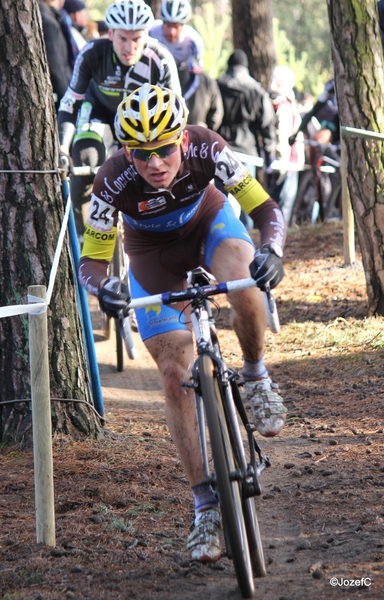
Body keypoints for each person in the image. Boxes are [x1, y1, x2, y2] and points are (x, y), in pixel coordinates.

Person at [78, 83, 287, 562]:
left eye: (165, 148)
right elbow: (92, 260)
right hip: (152, 256)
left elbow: (264, 207)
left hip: (208, 225)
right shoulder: (110, 180)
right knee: (174, 372)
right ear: (127, 152)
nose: (156, 163)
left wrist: (271, 251)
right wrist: (104, 288)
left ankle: (255, 375)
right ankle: (206, 506)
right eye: (143, 153)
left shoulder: (208, 146)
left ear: (182, 140)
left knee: (244, 276)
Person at [57, 0, 181, 238]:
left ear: (147, 35)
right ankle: (85, 239)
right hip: (100, 114)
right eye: (122, 38)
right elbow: (70, 102)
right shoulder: (93, 52)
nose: (129, 48)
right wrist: (63, 146)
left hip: (142, 125)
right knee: (85, 158)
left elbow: (177, 109)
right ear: (110, 33)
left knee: (154, 167)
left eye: (136, 39)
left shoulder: (160, 58)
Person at [217, 49, 277, 229]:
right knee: (247, 200)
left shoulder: (217, 85)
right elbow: (267, 125)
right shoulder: (256, 90)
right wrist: (269, 155)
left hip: (221, 150)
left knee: (221, 201)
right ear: (245, 67)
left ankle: (224, 237)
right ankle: (249, 239)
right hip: (248, 152)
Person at [268, 66, 305, 225]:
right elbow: (283, 136)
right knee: (283, 208)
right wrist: (282, 164)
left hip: (282, 163)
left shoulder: (275, 103)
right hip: (287, 164)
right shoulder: (283, 105)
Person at [289, 78, 339, 167]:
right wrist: (297, 133)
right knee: (314, 141)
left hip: (338, 124)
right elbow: (314, 110)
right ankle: (315, 173)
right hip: (329, 125)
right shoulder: (332, 84)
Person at [149, 0, 204, 75]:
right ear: (162, 23)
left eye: (176, 27)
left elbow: (195, 76)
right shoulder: (151, 31)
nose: (171, 32)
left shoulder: (194, 41)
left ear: (182, 26)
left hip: (181, 74)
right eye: (168, 26)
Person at [39, 0, 74, 110]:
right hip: (58, 92)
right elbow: (56, 64)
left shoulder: (53, 15)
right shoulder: (48, 21)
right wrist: (67, 98)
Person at [178, 59, 223, 130]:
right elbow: (216, 114)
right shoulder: (208, 81)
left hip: (177, 132)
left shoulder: (174, 75)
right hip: (199, 131)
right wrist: (207, 131)